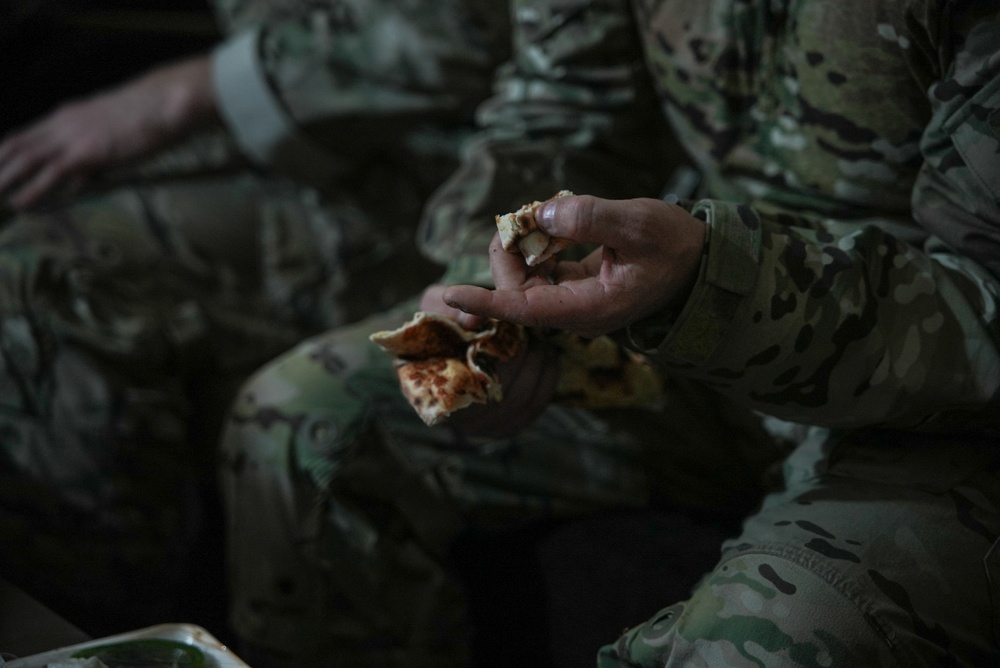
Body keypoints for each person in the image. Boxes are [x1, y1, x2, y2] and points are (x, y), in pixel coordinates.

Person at [223, 0, 1000, 665]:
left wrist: (710, 284)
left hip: (940, 414)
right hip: (675, 328)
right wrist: (491, 298)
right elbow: (564, 104)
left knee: (759, 642)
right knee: (299, 423)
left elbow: (986, 297)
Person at [0, 0, 511, 635]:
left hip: (452, 164)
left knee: (37, 281)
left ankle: (102, 637)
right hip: (317, 120)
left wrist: (201, 87)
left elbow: (477, 36)